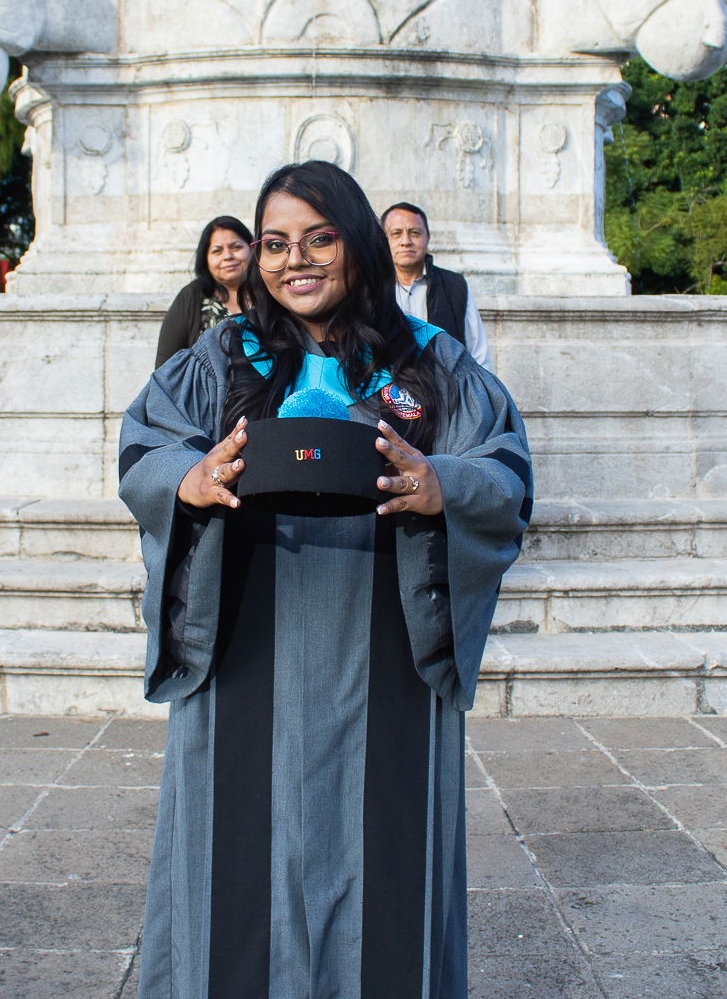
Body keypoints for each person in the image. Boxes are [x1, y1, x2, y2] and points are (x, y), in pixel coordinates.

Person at [118, 160, 533, 998]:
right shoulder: (219, 355)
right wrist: (187, 480)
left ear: (361, 243)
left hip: (384, 631)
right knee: (230, 861)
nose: (292, 260)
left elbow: (508, 467)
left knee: (385, 860)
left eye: (318, 238)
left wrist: (442, 482)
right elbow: (144, 444)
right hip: (244, 628)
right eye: (273, 244)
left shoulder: (432, 360)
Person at [380, 201, 494, 372]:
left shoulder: (454, 287)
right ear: (383, 240)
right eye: (396, 233)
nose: (406, 241)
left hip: (445, 394)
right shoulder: (371, 288)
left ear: (428, 238)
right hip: (388, 393)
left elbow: (479, 355)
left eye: (415, 233)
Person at [154, 215, 254, 367]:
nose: (227, 256)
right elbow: (165, 366)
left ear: (252, 249)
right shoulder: (192, 296)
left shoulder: (269, 293)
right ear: (206, 259)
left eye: (236, 247)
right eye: (217, 251)